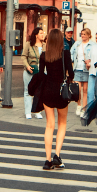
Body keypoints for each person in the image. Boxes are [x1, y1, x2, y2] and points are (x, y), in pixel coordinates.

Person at [32, 28, 74, 170]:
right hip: (61, 92)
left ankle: (47, 160)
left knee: (50, 125)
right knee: (62, 123)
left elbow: (41, 74)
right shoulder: (65, 54)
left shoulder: (44, 55)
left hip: (48, 91)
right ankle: (57, 155)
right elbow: (71, 73)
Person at [22, 27, 43, 120]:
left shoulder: (45, 45)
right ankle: (28, 112)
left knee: (39, 91)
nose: (43, 35)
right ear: (36, 35)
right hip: (30, 70)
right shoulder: (29, 44)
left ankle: (37, 111)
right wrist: (27, 66)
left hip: (40, 72)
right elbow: (23, 56)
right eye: (41, 33)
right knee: (28, 91)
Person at [73, 27, 92, 116]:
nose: (83, 36)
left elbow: (93, 55)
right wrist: (72, 62)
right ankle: (79, 105)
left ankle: (84, 108)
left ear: (89, 35)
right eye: (82, 34)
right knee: (77, 90)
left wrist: (90, 61)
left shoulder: (92, 45)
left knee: (85, 90)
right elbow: (71, 53)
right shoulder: (77, 44)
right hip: (78, 68)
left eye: (84, 34)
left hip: (86, 69)